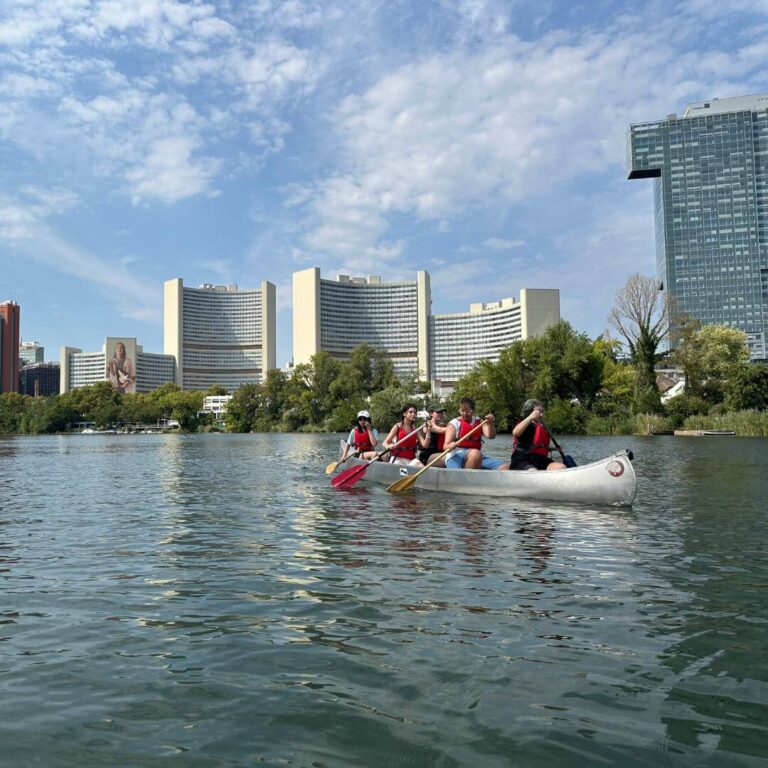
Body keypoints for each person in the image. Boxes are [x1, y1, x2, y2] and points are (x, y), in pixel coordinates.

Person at [443, 397, 507, 470]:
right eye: (462, 411)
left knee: (505, 467)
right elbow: (445, 446)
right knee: (475, 454)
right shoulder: (453, 423)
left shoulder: (479, 421)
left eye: (468, 411)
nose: (464, 414)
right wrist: (450, 445)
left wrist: (490, 424)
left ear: (473, 411)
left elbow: (491, 436)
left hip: (476, 455)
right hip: (456, 455)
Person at [509, 399, 566, 471]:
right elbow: (515, 433)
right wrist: (530, 417)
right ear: (530, 411)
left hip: (540, 459)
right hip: (522, 459)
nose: (541, 414)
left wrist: (554, 448)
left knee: (561, 467)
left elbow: (539, 446)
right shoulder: (524, 422)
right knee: (533, 471)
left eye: (542, 411)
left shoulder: (541, 425)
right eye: (539, 411)